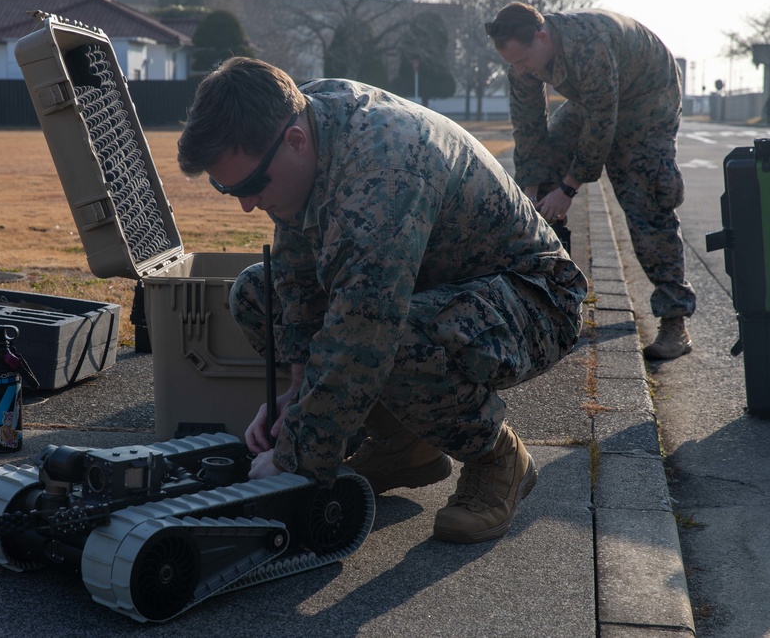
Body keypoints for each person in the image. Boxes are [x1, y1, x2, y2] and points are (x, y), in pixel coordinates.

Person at [177, 57, 586, 544]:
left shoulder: (383, 171)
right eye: (229, 190)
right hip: (436, 288)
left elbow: (363, 336)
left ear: (294, 141)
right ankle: (404, 444)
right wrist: (296, 392)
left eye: (249, 186)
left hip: (533, 299)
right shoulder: (303, 119)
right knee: (254, 293)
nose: (245, 204)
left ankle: (497, 456)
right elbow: (296, 276)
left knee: (394, 337)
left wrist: (294, 458)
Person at [486, 2, 696, 360]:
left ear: (542, 36)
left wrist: (567, 189)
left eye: (523, 61)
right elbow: (529, 128)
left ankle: (674, 319)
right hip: (598, 98)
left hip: (647, 99)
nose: (519, 71)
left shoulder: (588, 45)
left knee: (645, 196)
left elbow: (601, 125)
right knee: (547, 164)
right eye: (512, 64)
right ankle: (554, 296)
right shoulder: (523, 61)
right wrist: (534, 188)